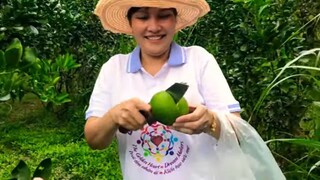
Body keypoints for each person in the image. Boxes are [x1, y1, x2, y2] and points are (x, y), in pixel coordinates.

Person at [84, 0, 286, 179]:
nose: (153, 27)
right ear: (131, 22)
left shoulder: (199, 60)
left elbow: (238, 133)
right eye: (142, 17)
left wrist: (211, 121)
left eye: (164, 16)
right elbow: (94, 139)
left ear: (175, 20)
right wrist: (113, 117)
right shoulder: (114, 68)